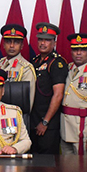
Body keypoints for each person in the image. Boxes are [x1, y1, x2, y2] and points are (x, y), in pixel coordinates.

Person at [29, 23, 67, 154]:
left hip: (48, 124)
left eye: (47, 40)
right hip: (33, 120)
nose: (43, 43)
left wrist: (45, 122)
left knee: (47, 161)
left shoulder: (57, 63)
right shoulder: (35, 62)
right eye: (40, 39)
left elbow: (58, 94)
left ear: (54, 43)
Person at [0, 24, 36, 110]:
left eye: (16, 42)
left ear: (22, 46)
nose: (12, 46)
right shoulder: (0, 64)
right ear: (3, 45)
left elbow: (27, 103)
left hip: (15, 115)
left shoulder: (26, 68)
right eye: (8, 42)